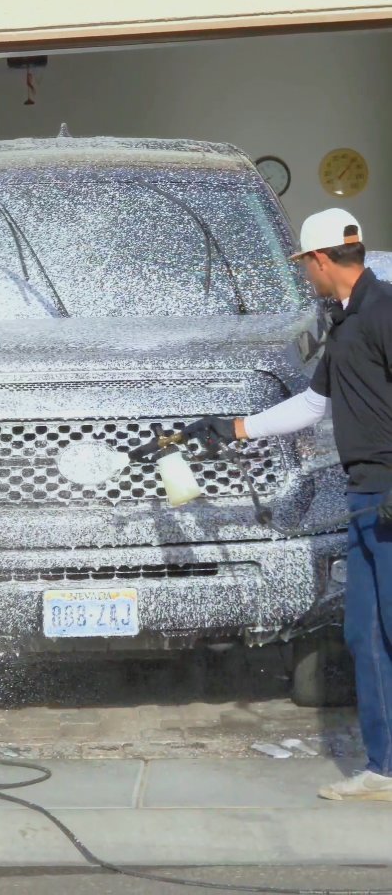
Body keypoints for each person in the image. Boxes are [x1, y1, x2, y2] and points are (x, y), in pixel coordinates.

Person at [210, 208, 392, 802]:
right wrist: (236, 428)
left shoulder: (385, 312)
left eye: (303, 266)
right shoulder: (343, 322)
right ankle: (385, 769)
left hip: (389, 495)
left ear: (318, 259)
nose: (304, 276)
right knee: (364, 633)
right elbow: (315, 405)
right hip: (367, 498)